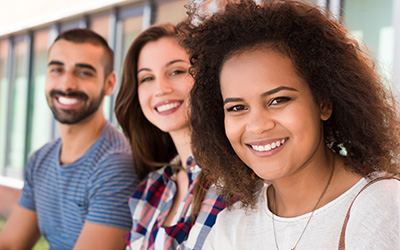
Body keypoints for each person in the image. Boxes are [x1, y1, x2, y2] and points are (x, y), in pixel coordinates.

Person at [178, 0, 400, 249]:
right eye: (237, 108)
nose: (258, 125)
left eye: (278, 100)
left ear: (324, 103)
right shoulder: (232, 226)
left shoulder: (382, 209)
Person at [0, 28, 139, 250]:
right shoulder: (41, 159)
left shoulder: (117, 164)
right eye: (57, 70)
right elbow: (10, 245)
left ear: (110, 83)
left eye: (84, 73)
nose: (66, 85)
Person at [114, 23, 226, 250]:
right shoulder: (151, 188)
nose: (160, 89)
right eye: (146, 78)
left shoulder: (234, 181)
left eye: (176, 71)